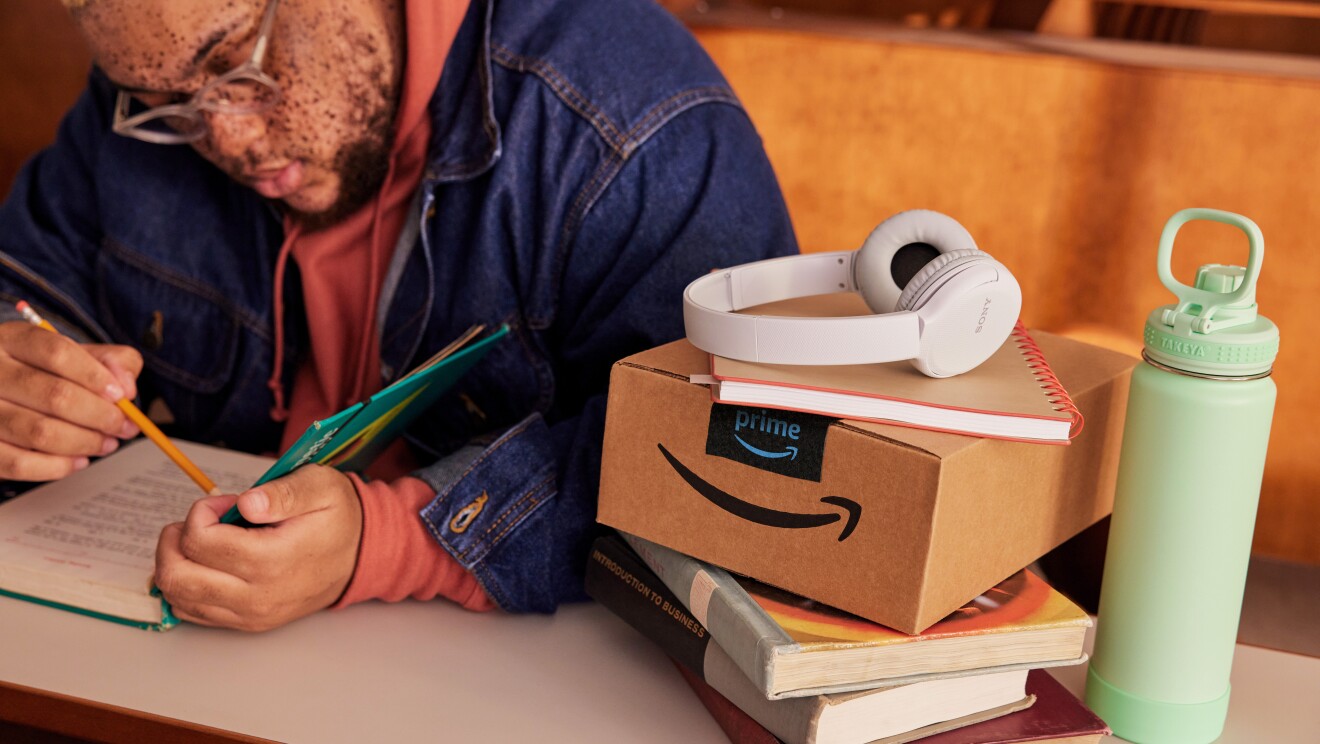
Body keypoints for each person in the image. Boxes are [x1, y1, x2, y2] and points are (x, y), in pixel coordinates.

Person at [0, 0, 796, 630]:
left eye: (234, 66)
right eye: (163, 102)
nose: (226, 137)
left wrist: (391, 543)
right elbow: (27, 284)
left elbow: (732, 461)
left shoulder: (636, 127)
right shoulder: (156, 66)